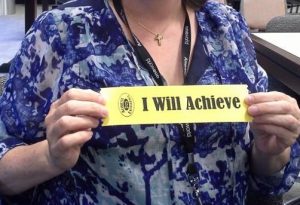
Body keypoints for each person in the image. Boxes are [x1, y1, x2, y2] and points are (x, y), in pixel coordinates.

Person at [0, 0, 299, 204]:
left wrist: (271, 152)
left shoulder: (228, 29)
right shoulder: (60, 32)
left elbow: (266, 178)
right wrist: (48, 158)